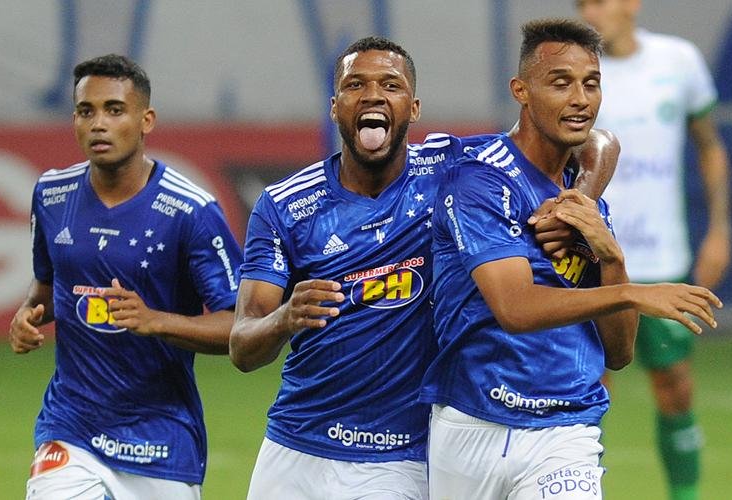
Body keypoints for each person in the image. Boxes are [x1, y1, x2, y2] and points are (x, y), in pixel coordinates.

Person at [229, 36, 619, 499]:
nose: (373, 96)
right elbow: (243, 346)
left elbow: (599, 141)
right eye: (355, 85)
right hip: (294, 443)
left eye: (390, 85)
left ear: (413, 108)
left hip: (400, 456)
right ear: (335, 107)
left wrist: (576, 202)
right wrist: (283, 318)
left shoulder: (456, 171)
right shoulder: (284, 205)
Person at [419, 18, 723, 500]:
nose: (580, 98)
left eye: (591, 84)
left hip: (566, 431)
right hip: (471, 424)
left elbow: (618, 354)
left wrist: (612, 258)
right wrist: (632, 293)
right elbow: (515, 309)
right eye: (561, 83)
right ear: (521, 90)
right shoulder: (480, 180)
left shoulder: (586, 202)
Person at [8, 54, 243, 499]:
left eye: (114, 110)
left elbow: (240, 326)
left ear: (145, 120)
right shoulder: (52, 194)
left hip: (161, 438)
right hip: (71, 427)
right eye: (86, 111)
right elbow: (47, 285)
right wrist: (28, 315)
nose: (98, 124)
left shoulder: (191, 211)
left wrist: (156, 321)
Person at [575, 2, 732, 499]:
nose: (591, 12)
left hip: (662, 260)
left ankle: (686, 495)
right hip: (588, 263)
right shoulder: (576, 71)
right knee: (588, 393)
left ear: (632, 3)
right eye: (582, 4)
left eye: (600, 1)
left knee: (675, 387)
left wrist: (719, 230)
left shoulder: (678, 61)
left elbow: (709, 145)